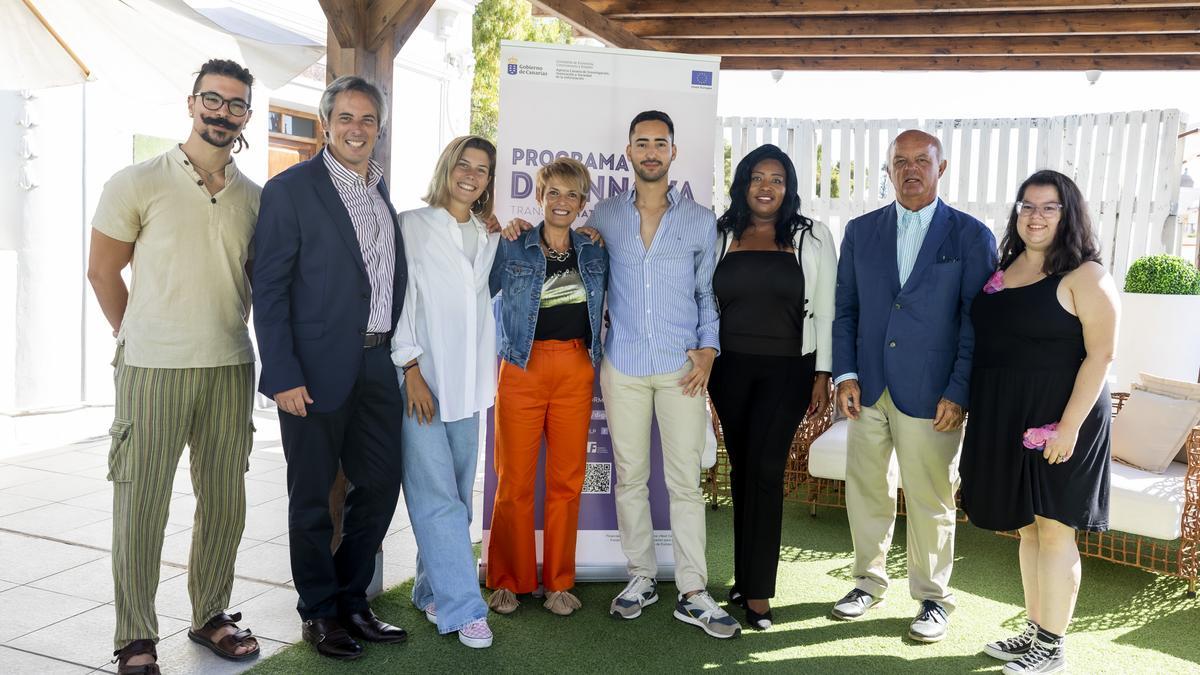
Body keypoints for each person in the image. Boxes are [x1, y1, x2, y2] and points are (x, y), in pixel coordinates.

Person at [88, 59, 262, 675]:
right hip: (151, 369)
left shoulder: (255, 198)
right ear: (192, 104)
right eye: (212, 100)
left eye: (236, 104)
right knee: (142, 504)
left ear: (247, 115)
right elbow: (102, 272)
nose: (222, 112)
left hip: (229, 367)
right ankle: (135, 636)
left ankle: (211, 614)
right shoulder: (137, 181)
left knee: (224, 500)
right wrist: (134, 331)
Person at [253, 75, 408, 661]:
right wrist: (283, 373)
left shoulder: (379, 190)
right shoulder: (291, 190)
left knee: (380, 485)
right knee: (313, 497)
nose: (357, 129)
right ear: (326, 124)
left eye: (368, 119)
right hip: (313, 373)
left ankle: (350, 596)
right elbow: (267, 289)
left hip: (377, 364)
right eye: (346, 117)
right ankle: (318, 611)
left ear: (379, 128)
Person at [830, 129, 997, 643]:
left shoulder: (970, 236)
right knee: (866, 491)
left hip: (933, 394)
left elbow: (976, 322)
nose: (910, 170)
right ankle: (866, 582)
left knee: (931, 498)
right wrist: (846, 374)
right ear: (888, 169)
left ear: (940, 167)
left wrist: (959, 390)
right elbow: (846, 311)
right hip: (869, 387)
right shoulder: (861, 231)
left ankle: (932, 598)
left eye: (921, 161)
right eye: (900, 161)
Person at [961, 170, 1117, 674]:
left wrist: (1068, 428)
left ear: (1068, 214)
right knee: (1028, 529)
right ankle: (1035, 631)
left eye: (1050, 207)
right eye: (1028, 206)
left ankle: (1052, 647)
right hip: (1008, 414)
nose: (1036, 216)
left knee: (1054, 531)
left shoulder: (1085, 276)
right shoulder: (1004, 270)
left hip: (1062, 418)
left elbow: (1101, 356)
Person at [707, 144, 835, 630]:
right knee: (741, 469)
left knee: (765, 467)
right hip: (729, 369)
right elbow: (705, 298)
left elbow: (826, 308)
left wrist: (824, 371)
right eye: (757, 177)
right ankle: (743, 576)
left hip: (789, 369)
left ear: (789, 187)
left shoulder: (813, 236)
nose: (767, 186)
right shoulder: (721, 233)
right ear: (743, 183)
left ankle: (759, 593)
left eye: (777, 179)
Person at [485, 158, 608, 617]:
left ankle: (558, 581)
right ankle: (507, 580)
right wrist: (491, 227)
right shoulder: (514, 245)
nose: (561, 202)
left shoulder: (595, 251)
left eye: (571, 195)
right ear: (540, 197)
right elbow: (478, 281)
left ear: (581, 203)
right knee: (514, 479)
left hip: (576, 367)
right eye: (552, 193)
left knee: (566, 480)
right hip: (522, 367)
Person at [391, 135, 501, 648]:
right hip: (422, 381)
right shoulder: (410, 225)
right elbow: (401, 302)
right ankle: (464, 609)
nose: (471, 174)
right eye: (464, 164)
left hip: (469, 386)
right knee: (436, 498)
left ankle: (430, 588)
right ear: (447, 167)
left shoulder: (488, 234)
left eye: (481, 169)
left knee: (457, 496)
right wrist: (410, 369)